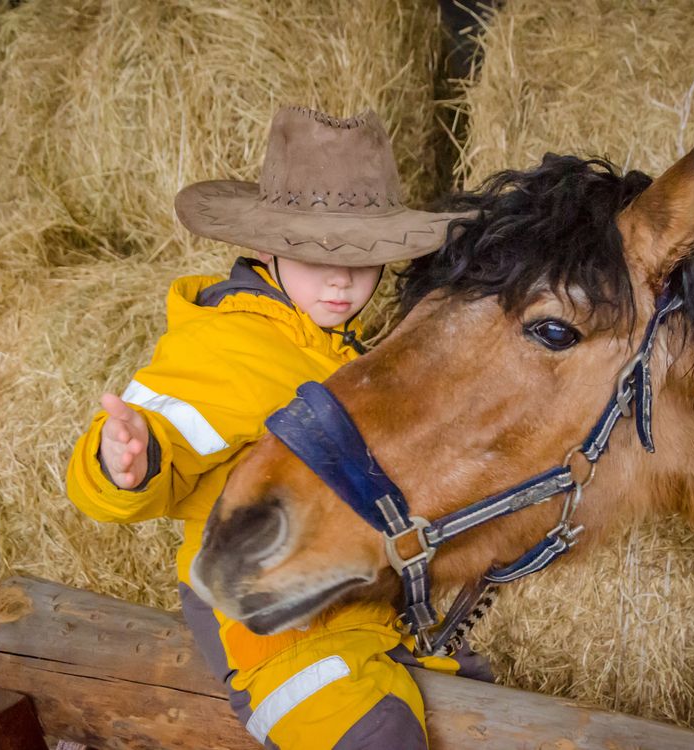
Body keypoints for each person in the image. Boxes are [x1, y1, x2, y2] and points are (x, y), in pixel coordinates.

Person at [67, 106, 490, 750]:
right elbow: (167, 432)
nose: (344, 279)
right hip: (260, 609)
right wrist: (128, 460)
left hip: (351, 602)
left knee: (476, 700)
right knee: (375, 736)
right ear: (266, 247)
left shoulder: (341, 352)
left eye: (365, 257)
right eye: (313, 254)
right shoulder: (232, 344)